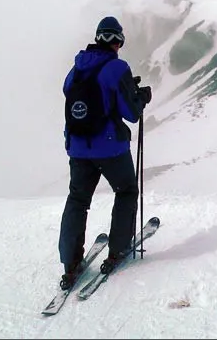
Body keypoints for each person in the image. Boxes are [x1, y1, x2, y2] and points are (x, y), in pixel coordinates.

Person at [57, 16, 152, 290]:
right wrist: (139, 96)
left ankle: (69, 263)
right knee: (125, 192)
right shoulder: (116, 67)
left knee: (77, 200)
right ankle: (118, 249)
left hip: (78, 147)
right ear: (119, 41)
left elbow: (73, 95)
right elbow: (131, 113)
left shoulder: (75, 70)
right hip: (110, 147)